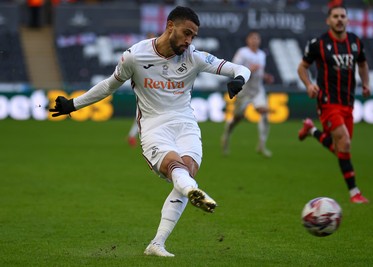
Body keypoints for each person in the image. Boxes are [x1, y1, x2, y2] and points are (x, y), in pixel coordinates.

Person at [49, 6, 250, 257]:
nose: (189, 41)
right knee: (179, 171)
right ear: (170, 26)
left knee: (185, 174)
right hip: (154, 125)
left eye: (193, 37)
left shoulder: (194, 57)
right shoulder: (135, 56)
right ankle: (191, 191)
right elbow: (109, 86)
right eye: (186, 33)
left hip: (186, 123)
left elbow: (240, 69)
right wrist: (73, 104)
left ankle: (157, 244)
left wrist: (239, 80)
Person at [297, 5, 370, 204]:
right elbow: (302, 68)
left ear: (347, 20)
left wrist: (365, 83)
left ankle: (311, 130)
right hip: (328, 102)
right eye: (335, 16)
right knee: (344, 142)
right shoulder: (318, 44)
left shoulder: (355, 42)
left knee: (341, 150)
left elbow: (362, 64)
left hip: (348, 102)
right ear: (328, 20)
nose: (339, 19)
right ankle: (355, 193)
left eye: (343, 16)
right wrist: (309, 84)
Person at [221, 31, 274, 158]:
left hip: (257, 90)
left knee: (264, 114)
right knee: (237, 118)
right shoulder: (242, 52)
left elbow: (260, 72)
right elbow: (234, 68)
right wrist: (250, 69)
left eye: (257, 38)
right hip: (243, 90)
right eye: (252, 38)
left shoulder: (261, 54)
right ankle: (226, 135)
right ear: (248, 40)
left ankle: (262, 145)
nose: (255, 40)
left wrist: (266, 76)